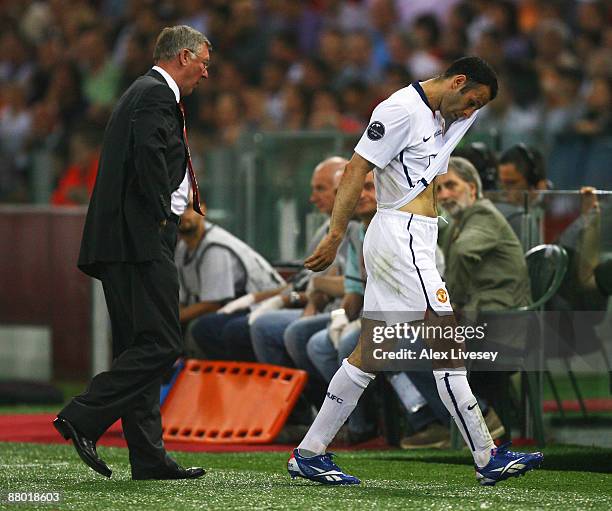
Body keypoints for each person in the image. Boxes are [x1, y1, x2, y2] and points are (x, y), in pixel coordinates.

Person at [287, 57, 543, 487]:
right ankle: (486, 455)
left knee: (371, 353)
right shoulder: (400, 110)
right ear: (457, 82)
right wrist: (334, 235)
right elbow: (355, 169)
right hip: (401, 236)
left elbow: (455, 119)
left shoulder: (439, 114)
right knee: (447, 342)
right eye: (471, 101)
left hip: (411, 235)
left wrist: (469, 104)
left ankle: (309, 453)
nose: (470, 112)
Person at [53, 25, 211, 480]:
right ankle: (82, 417)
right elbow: (149, 158)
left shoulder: (141, 93)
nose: (206, 72)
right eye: (203, 62)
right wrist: (165, 214)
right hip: (141, 238)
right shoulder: (156, 95)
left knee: (137, 345)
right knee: (163, 342)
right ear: (183, 56)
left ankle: (147, 455)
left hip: (126, 239)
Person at [400, 157, 530, 449]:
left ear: (472, 188)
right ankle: (443, 422)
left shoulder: (481, 215)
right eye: (440, 188)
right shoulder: (461, 221)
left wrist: (447, 306)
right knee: (401, 339)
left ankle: (478, 417)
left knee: (406, 345)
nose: (445, 194)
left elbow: (462, 254)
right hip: (486, 317)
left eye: (452, 186)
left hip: (500, 324)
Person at [176, 200, 285, 361]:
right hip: (235, 305)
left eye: (190, 207)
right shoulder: (182, 249)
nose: (184, 214)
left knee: (203, 328)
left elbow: (213, 303)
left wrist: (172, 318)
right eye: (178, 208)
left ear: (202, 209)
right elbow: (183, 301)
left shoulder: (215, 247)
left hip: (265, 302)